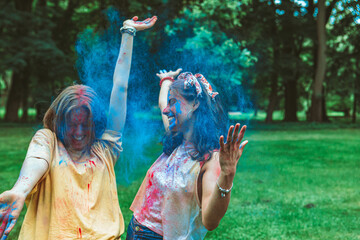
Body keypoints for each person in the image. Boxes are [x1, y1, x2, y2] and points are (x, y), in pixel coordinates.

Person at [0, 16, 157, 240]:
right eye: (72, 124)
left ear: (97, 124)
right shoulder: (48, 141)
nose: (79, 132)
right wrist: (20, 190)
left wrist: (128, 32)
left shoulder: (105, 150)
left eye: (86, 124)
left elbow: (120, 89)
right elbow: (36, 159)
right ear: (58, 121)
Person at [127, 69, 248, 239]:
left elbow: (210, 221)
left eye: (173, 102)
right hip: (134, 230)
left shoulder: (210, 159)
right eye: (169, 103)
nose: (166, 110)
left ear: (195, 104)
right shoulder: (177, 137)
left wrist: (227, 174)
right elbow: (163, 103)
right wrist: (167, 80)